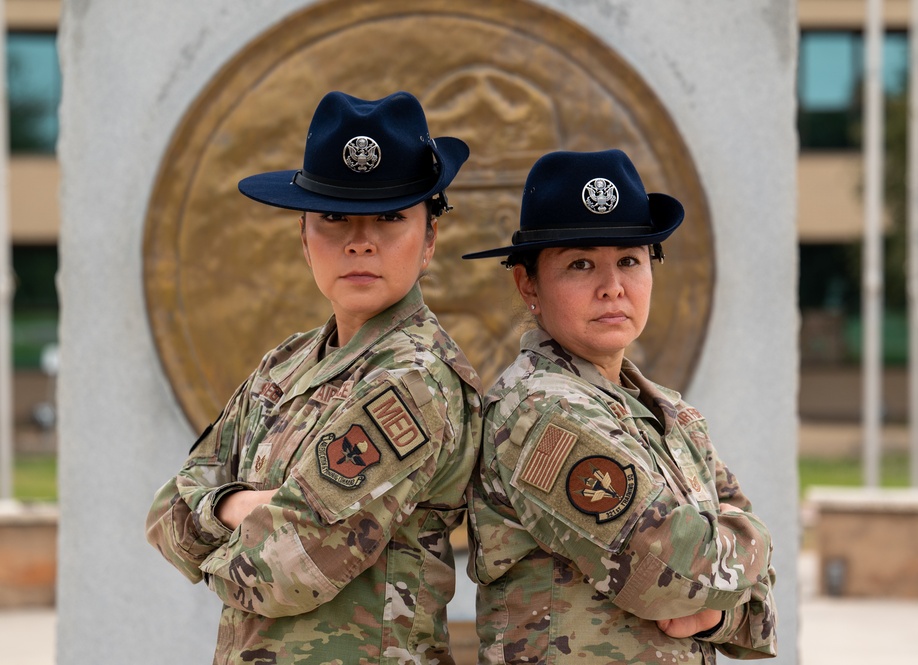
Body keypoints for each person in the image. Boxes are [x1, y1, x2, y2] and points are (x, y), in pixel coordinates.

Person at [145, 90, 482, 665]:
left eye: (390, 217)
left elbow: (287, 569)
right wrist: (235, 506)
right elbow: (164, 515)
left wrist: (222, 524)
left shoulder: (417, 380)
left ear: (429, 241)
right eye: (332, 216)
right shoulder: (288, 363)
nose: (359, 240)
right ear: (303, 239)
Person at [461, 149, 777, 664]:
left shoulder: (669, 413)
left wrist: (720, 615)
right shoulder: (540, 412)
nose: (613, 287)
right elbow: (671, 572)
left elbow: (756, 601)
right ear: (528, 285)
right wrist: (756, 538)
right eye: (580, 264)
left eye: (629, 260)